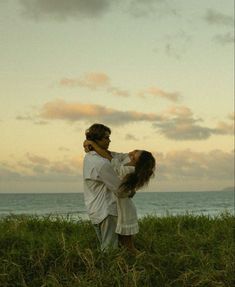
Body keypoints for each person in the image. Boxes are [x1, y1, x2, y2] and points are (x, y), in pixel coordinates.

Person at [83, 139, 156, 254]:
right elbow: (112, 155)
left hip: (125, 210)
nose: (130, 153)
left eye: (133, 155)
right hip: (124, 207)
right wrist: (91, 145)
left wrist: (94, 146)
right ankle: (134, 261)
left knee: (128, 246)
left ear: (136, 161)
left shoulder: (128, 169)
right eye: (134, 151)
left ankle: (144, 259)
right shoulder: (128, 164)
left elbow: (111, 161)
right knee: (124, 245)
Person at [83, 123, 129, 251]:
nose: (109, 140)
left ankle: (99, 269)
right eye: (106, 138)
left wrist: (91, 144)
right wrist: (131, 191)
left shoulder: (89, 157)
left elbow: (115, 156)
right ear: (97, 140)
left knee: (105, 247)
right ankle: (105, 270)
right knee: (110, 251)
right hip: (106, 211)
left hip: (95, 210)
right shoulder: (102, 163)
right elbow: (120, 190)